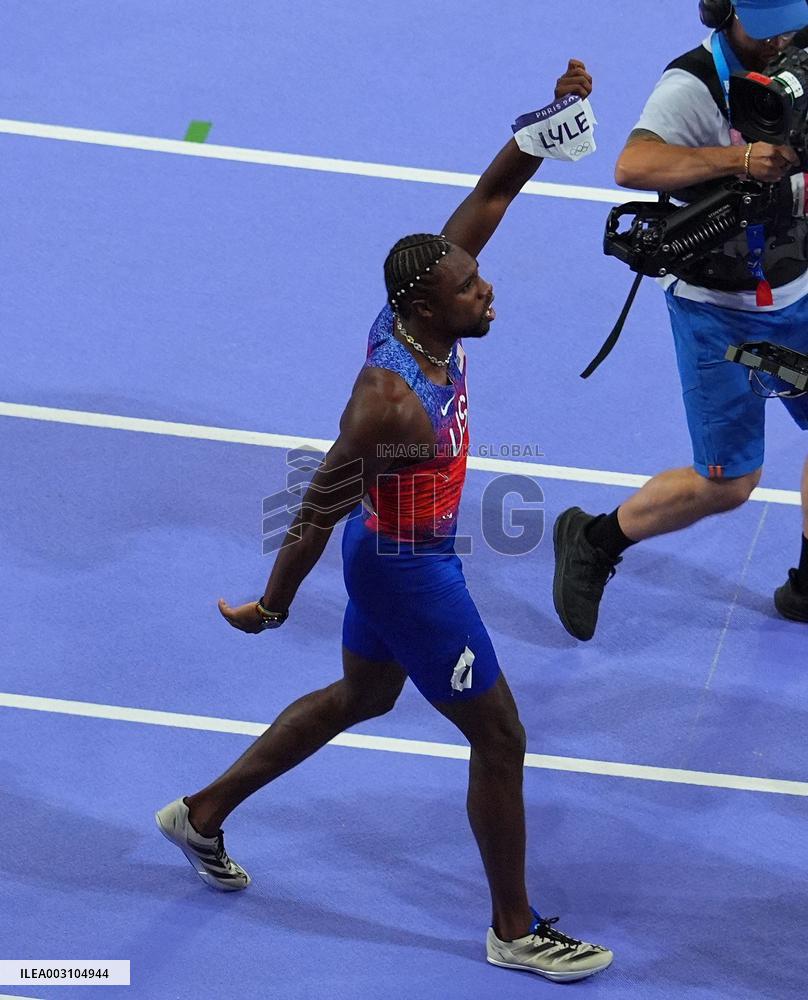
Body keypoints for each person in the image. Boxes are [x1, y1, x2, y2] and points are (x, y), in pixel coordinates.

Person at [155, 60, 613, 983]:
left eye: (477, 279)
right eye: (470, 290)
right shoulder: (386, 402)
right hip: (406, 568)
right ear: (424, 307)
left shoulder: (423, 297)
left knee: (364, 698)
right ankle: (514, 930)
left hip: (394, 553)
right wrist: (273, 606)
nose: (487, 292)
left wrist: (554, 120)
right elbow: (319, 502)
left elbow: (491, 191)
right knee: (501, 739)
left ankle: (200, 814)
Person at [552, 0, 808, 642]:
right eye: (766, 21)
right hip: (718, 314)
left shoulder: (800, 58)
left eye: (791, 18)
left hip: (800, 291)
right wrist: (738, 161)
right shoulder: (692, 84)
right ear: (724, 12)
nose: (780, 35)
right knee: (729, 483)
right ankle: (594, 538)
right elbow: (632, 166)